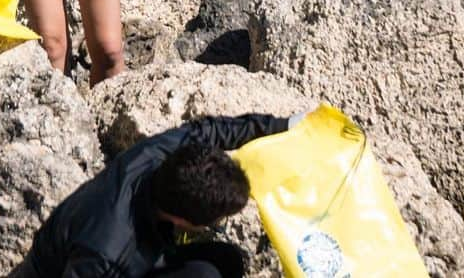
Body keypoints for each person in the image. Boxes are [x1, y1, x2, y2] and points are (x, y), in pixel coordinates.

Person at [15, 113, 291, 278]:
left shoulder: (158, 154)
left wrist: (288, 126)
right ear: (183, 219)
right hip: (69, 270)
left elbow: (209, 130)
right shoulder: (105, 252)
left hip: (146, 246)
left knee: (225, 261)